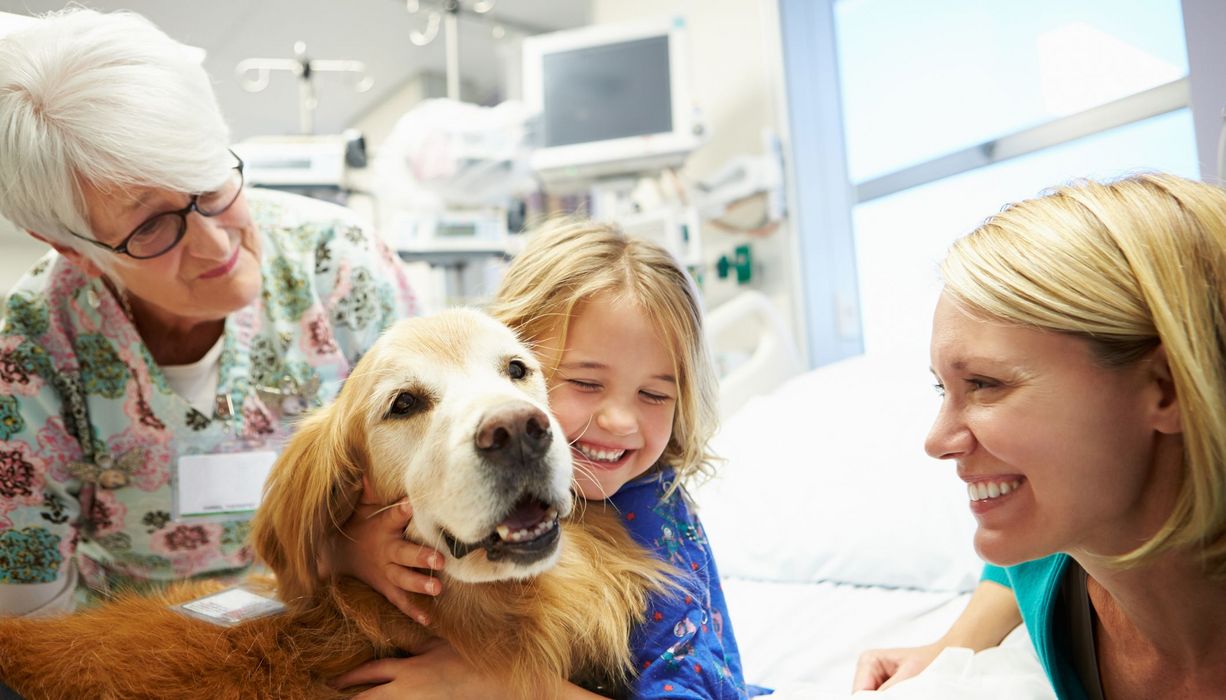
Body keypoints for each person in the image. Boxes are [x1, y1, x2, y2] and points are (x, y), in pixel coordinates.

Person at [0, 7, 444, 622]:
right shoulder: (36, 346)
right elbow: (29, 611)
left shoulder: (337, 263)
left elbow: (447, 470)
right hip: (137, 651)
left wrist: (348, 553)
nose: (216, 245)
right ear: (74, 250)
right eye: (151, 225)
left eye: (208, 185)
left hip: (348, 620)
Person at [334, 220, 758, 698]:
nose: (620, 421)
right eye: (585, 383)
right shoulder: (480, 454)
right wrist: (352, 550)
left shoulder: (659, 525)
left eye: (655, 395)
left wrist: (499, 686)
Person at [854, 173, 1226, 699]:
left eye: (984, 384)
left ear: (1166, 388)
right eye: (944, 388)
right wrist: (955, 645)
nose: (937, 441)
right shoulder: (1051, 556)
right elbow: (1014, 570)